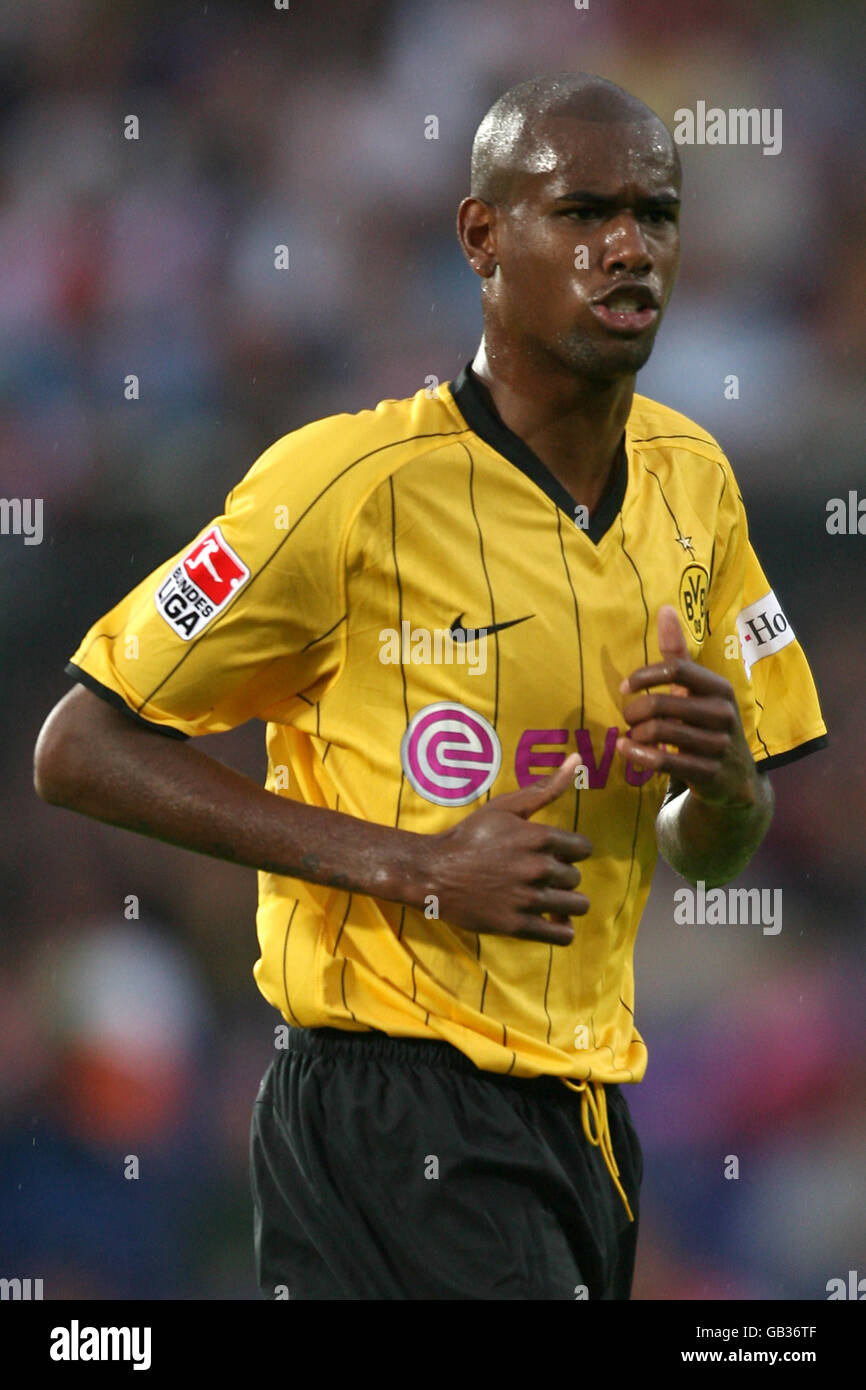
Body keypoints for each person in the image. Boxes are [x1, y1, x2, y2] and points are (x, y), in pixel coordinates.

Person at [33, 72, 828, 1300]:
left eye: (656, 215)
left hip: (586, 1111)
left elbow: (712, 851)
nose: (628, 247)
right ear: (481, 236)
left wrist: (723, 786)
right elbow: (78, 747)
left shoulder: (696, 485)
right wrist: (411, 866)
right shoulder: (346, 486)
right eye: (580, 213)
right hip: (384, 1102)